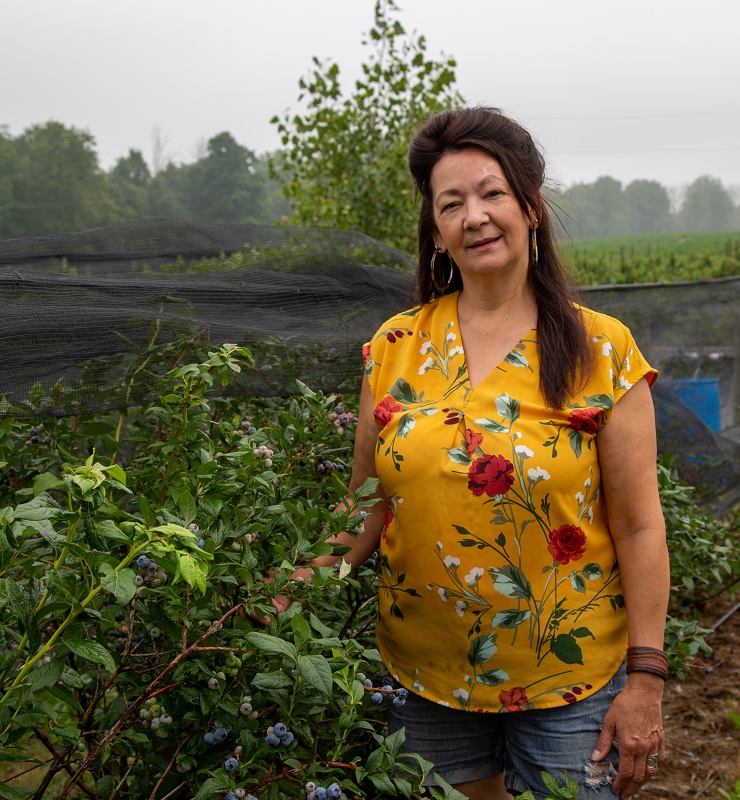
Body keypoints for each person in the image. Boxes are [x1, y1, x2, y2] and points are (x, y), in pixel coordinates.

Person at [287, 107, 669, 799]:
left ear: (531, 208)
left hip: (568, 678)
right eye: (452, 203)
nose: (475, 217)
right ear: (436, 232)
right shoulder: (397, 347)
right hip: (424, 677)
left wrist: (646, 678)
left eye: (492, 193)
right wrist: (292, 586)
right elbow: (366, 504)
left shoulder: (601, 350)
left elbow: (641, 526)